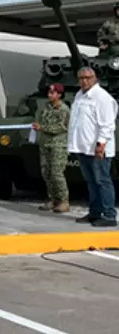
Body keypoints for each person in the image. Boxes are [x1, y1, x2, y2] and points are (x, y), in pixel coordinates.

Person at [68, 67, 118, 227]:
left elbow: (107, 125)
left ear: (95, 78)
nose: (84, 81)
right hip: (83, 147)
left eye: (88, 78)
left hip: (98, 149)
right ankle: (95, 212)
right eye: (81, 78)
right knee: (91, 182)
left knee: (102, 181)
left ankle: (109, 215)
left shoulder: (102, 98)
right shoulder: (79, 95)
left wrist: (101, 144)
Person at [32, 83, 71, 213]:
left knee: (56, 173)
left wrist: (42, 128)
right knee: (47, 173)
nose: (50, 95)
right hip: (45, 144)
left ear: (59, 95)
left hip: (58, 145)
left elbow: (62, 127)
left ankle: (64, 200)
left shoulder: (63, 109)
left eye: (53, 93)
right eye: (49, 92)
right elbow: (41, 120)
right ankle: (53, 199)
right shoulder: (46, 108)